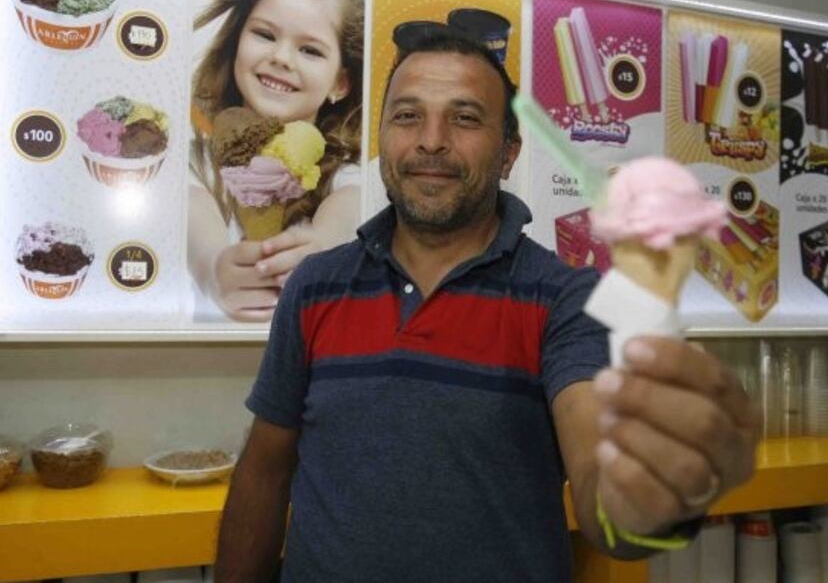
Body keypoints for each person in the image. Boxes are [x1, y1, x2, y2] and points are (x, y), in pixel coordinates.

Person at [214, 34, 760, 582]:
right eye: (407, 116)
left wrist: (654, 485)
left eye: (465, 118)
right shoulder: (316, 285)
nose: (431, 141)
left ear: (509, 151)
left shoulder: (565, 299)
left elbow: (602, 489)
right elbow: (266, 468)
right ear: (380, 138)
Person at [188, 0, 365, 321]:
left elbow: (345, 215)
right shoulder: (195, 163)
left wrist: (320, 251)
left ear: (340, 82)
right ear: (237, 42)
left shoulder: (344, 178)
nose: (282, 57)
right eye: (265, 35)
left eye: (310, 50)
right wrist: (214, 273)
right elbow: (198, 231)